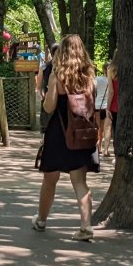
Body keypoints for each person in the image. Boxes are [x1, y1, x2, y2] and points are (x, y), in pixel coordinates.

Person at [31, 34, 98, 241]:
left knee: (50, 178)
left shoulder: (58, 76)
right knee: (80, 181)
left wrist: (49, 91)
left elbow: (49, 107)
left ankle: (41, 220)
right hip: (81, 133)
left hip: (59, 134)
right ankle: (86, 227)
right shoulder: (89, 76)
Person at [94, 64, 110, 153]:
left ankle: (97, 147)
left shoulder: (97, 79)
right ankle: (103, 149)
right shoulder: (111, 80)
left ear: (103, 70)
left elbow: (93, 90)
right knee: (104, 129)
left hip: (97, 106)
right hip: (106, 107)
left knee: (97, 127)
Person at [106, 59, 120, 158]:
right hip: (125, 105)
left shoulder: (111, 69)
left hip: (115, 106)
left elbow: (111, 91)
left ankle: (117, 155)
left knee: (116, 131)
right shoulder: (128, 66)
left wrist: (107, 108)